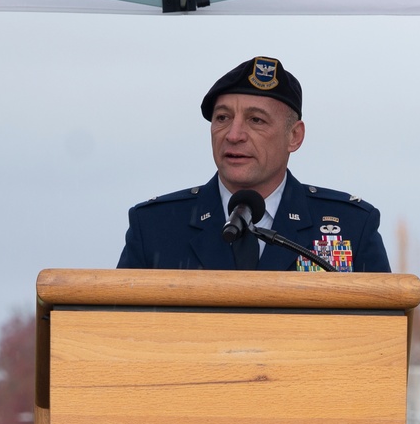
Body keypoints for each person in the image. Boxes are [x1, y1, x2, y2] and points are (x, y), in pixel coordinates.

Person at [118, 54, 390, 274]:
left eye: (256, 120)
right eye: (222, 118)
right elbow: (119, 333)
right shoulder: (156, 226)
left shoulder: (352, 225)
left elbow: (382, 333)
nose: (233, 135)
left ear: (294, 137)